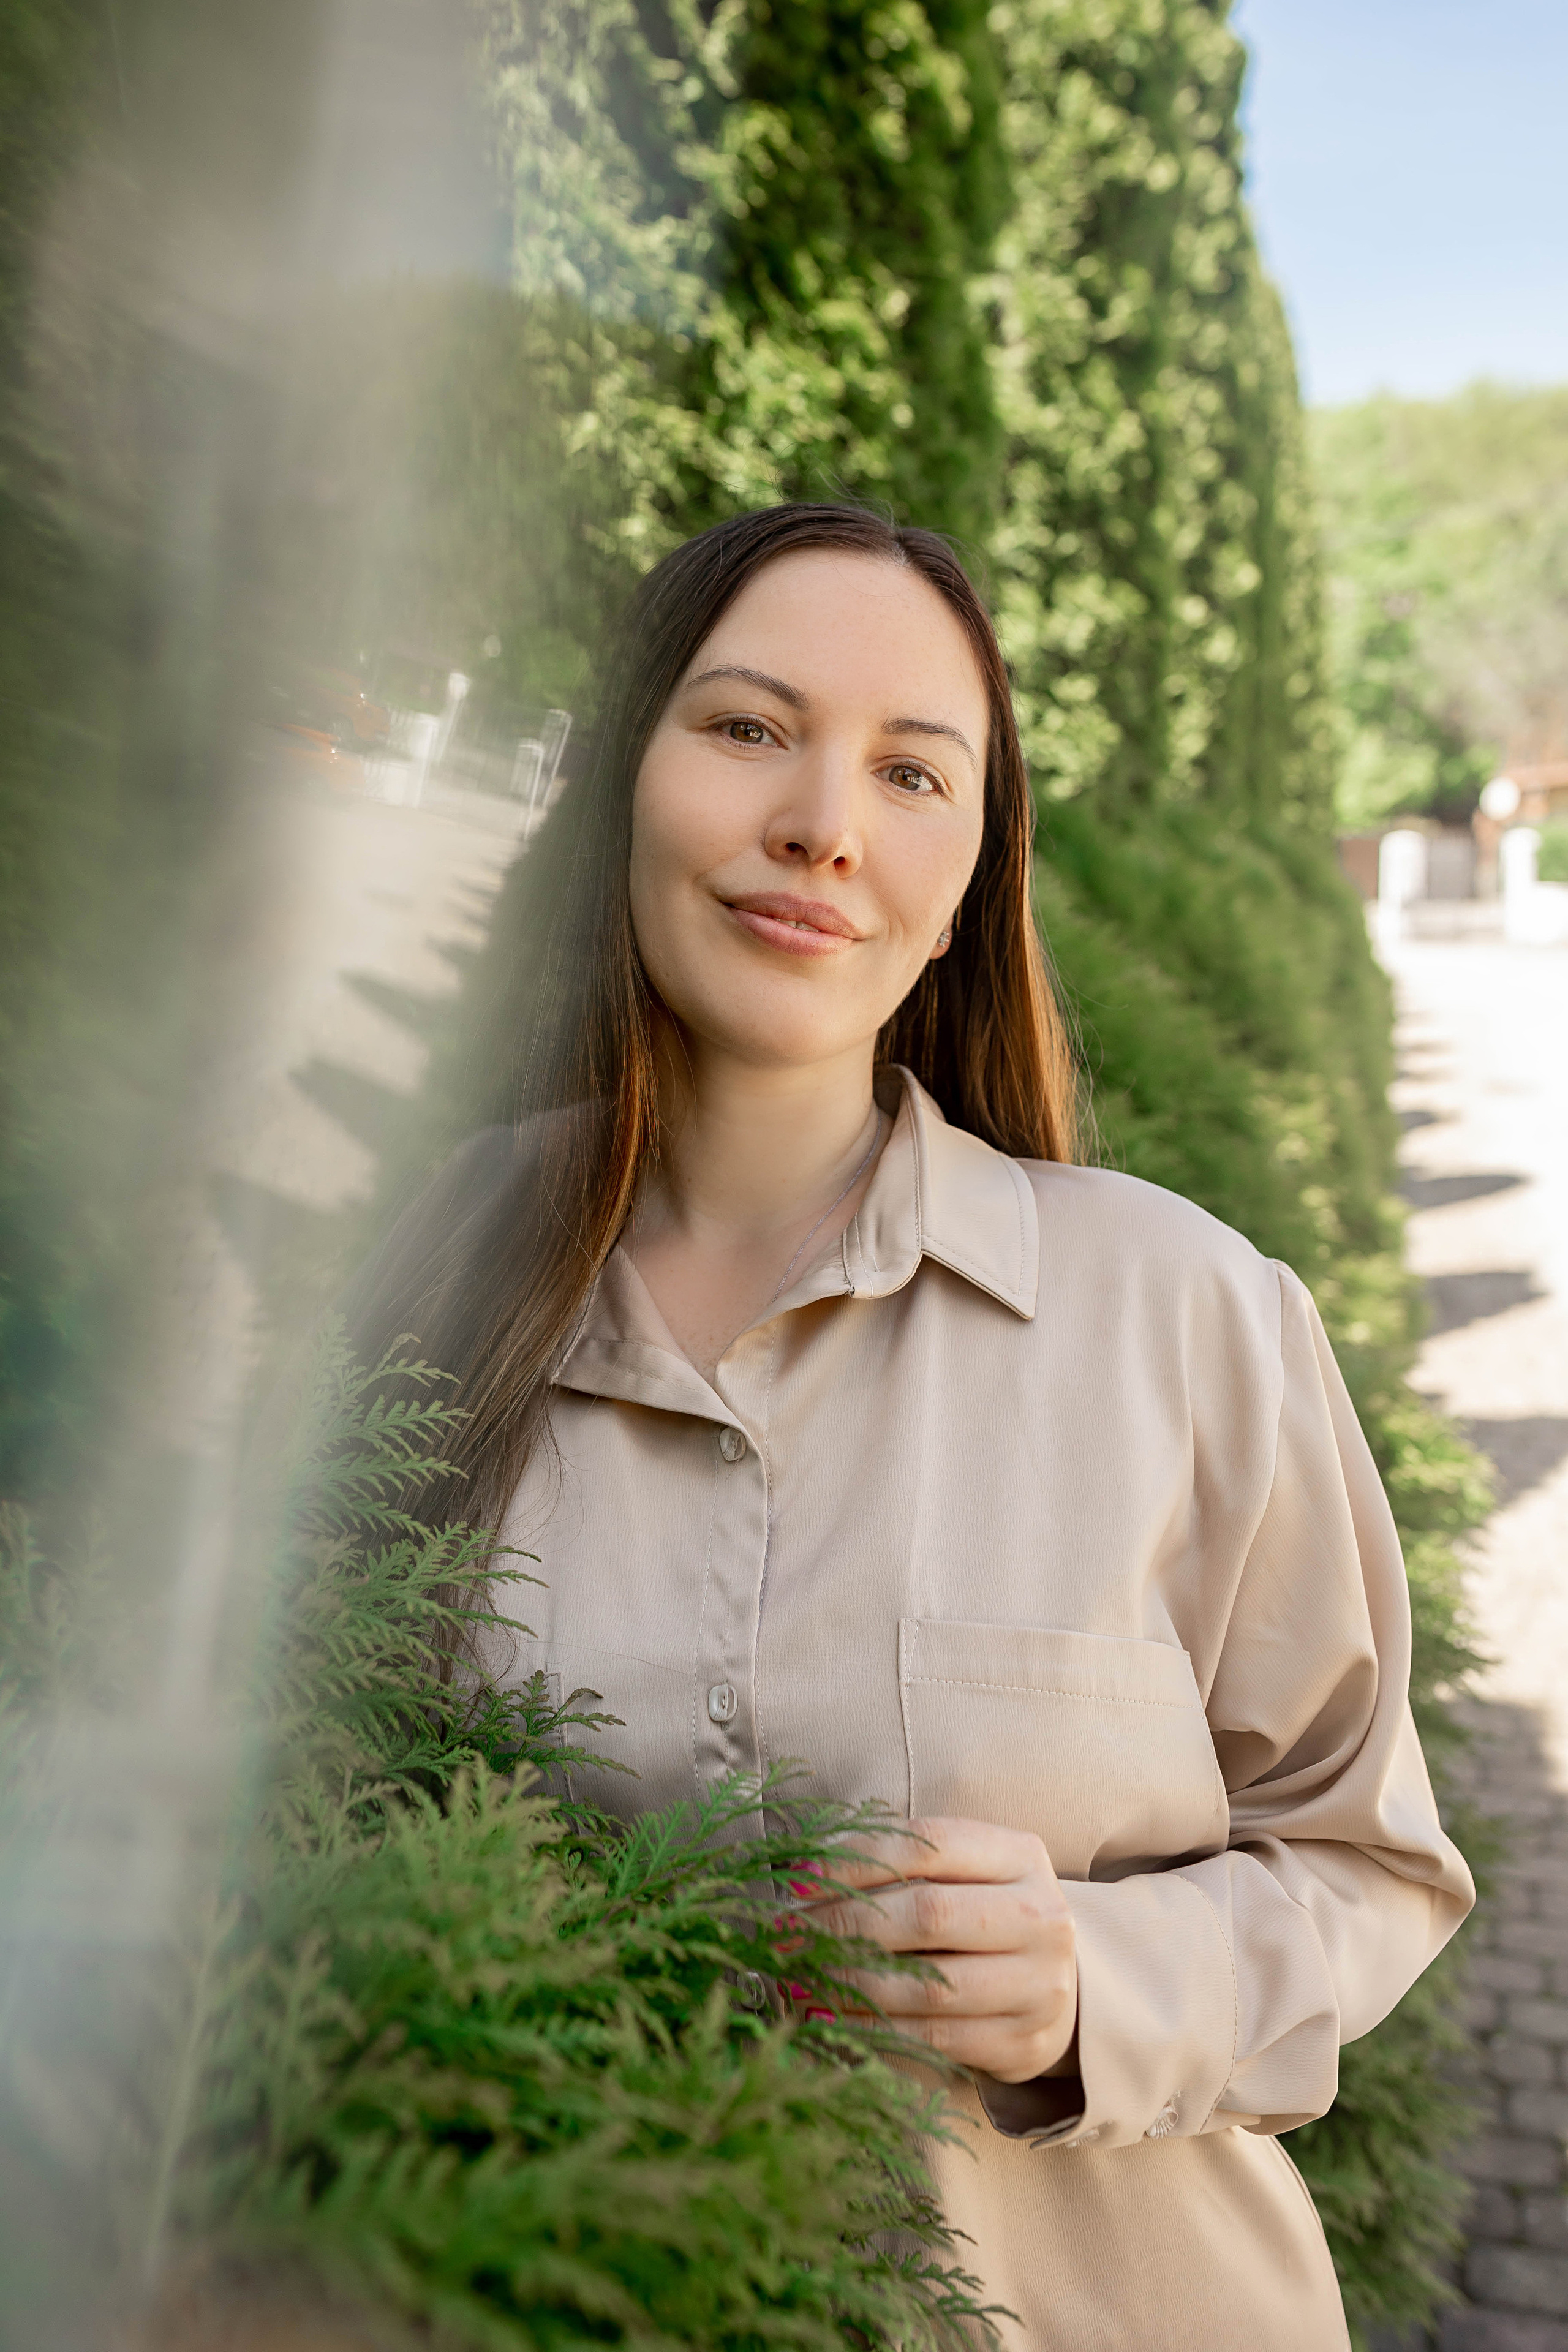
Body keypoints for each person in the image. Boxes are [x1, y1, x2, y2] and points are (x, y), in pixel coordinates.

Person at [349, 503, 1474, 2350]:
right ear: (623, 774)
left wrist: (1092, 1979)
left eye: (912, 771)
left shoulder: (1188, 1313)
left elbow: (1371, 1860)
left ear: (969, 878)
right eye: (747, 727)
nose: (822, 823)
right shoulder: (439, 1260)